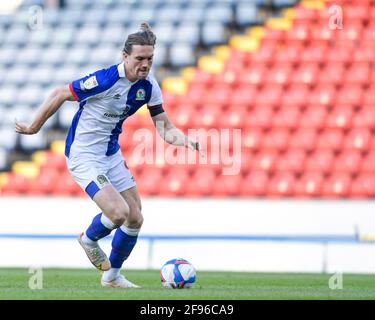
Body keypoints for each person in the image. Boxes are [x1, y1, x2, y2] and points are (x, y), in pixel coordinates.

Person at [15, 22, 202, 288]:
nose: (145, 64)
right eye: (139, 58)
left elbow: (164, 127)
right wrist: (34, 126)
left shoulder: (149, 85)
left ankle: (112, 276)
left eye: (149, 59)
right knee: (118, 213)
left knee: (135, 216)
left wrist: (185, 141)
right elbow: (60, 93)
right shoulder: (106, 79)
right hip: (83, 154)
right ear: (124, 56)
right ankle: (89, 239)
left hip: (110, 153)